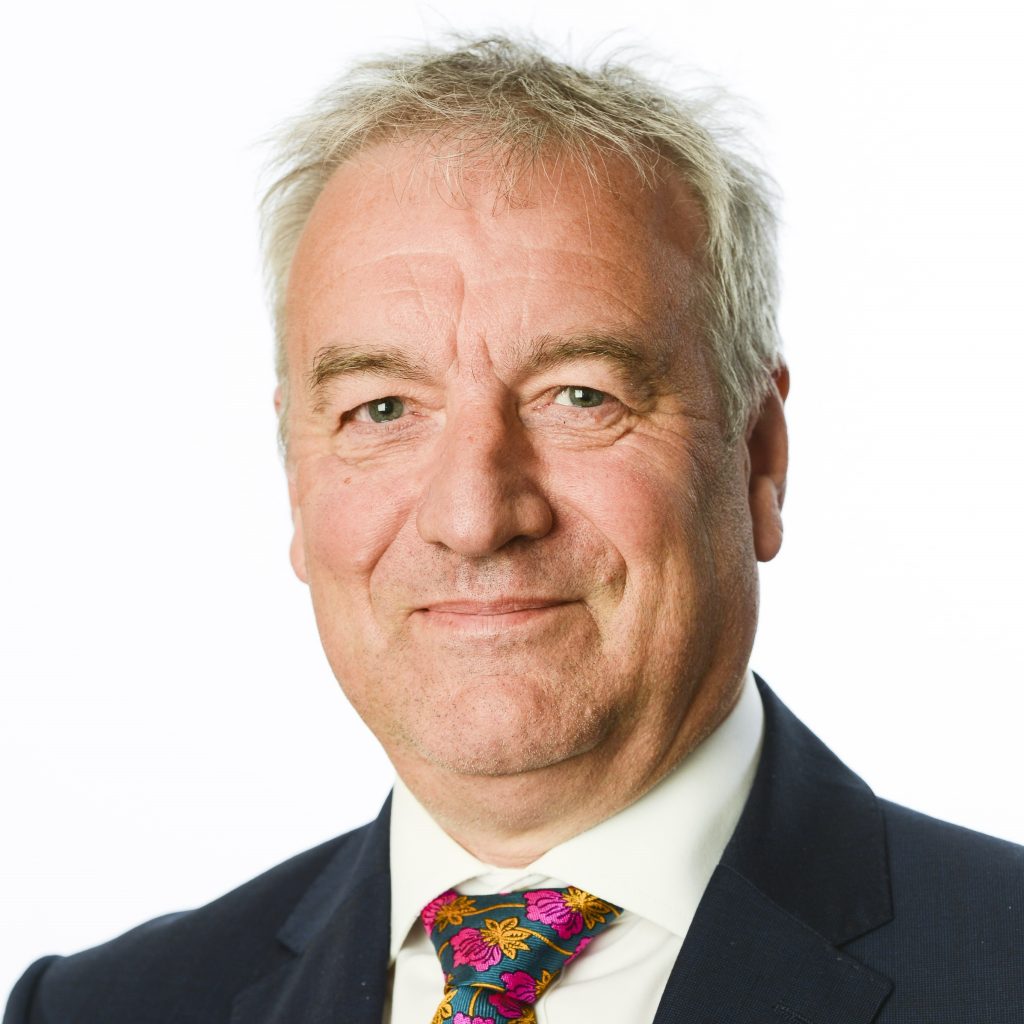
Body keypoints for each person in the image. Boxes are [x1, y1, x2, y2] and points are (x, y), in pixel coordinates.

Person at [5, 35, 1022, 1024]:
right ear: (297, 484)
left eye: (579, 395)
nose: (473, 517)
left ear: (758, 454)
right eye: (382, 409)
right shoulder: (100, 1009)